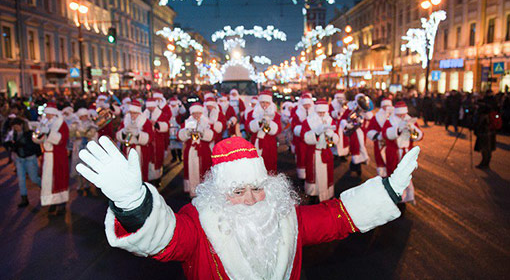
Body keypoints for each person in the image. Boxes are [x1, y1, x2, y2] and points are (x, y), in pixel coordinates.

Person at [76, 136, 420, 280]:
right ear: (219, 194)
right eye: (238, 191)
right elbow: (167, 238)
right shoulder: (199, 224)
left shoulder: (285, 216)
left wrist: (387, 189)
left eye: (257, 188)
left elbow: (337, 218)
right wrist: (133, 204)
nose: (253, 199)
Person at [382, 101, 423, 204]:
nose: (402, 116)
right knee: (394, 175)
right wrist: (398, 130)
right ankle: (397, 198)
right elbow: (385, 133)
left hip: (406, 152)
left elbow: (419, 135)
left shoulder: (410, 120)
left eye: (403, 114)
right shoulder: (390, 121)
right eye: (400, 114)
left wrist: (412, 128)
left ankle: (406, 196)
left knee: (405, 174)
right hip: (394, 152)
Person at [32, 103, 69, 215]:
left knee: (59, 178)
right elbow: (39, 140)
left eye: (49, 114)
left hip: (57, 155)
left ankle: (61, 203)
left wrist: (49, 132)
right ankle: (52, 202)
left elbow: (62, 139)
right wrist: (38, 135)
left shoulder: (61, 124)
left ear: (53, 114)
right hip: (47, 155)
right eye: (46, 114)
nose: (47, 116)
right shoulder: (45, 123)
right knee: (48, 181)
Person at [302, 99, 338, 202]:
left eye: (323, 112)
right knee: (313, 175)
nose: (322, 114)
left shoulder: (330, 120)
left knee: (326, 176)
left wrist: (332, 136)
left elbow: (336, 136)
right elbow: (304, 137)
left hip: (325, 151)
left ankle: (326, 196)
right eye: (319, 112)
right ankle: (313, 195)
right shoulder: (308, 121)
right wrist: (317, 132)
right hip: (314, 153)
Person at [177, 103, 214, 197]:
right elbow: (179, 136)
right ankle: (193, 192)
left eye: (198, 113)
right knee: (191, 170)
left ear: (201, 113)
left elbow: (213, 136)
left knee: (204, 170)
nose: (196, 115)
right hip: (191, 150)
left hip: (203, 150)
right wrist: (186, 132)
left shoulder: (207, 122)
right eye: (194, 113)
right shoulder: (187, 122)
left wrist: (203, 133)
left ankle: (205, 193)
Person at [5, 118, 41, 208]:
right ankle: (24, 199)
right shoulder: (13, 134)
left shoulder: (29, 133)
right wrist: (11, 145)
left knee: (34, 178)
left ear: (21, 125)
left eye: (16, 126)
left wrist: (20, 144)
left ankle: (44, 187)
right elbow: (10, 145)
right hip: (19, 159)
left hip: (30, 158)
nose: (15, 128)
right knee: (21, 179)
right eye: (14, 127)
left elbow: (34, 145)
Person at [116, 100, 154, 183]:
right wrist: (123, 132)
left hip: (141, 150)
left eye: (135, 113)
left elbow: (150, 138)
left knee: (141, 172)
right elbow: (118, 136)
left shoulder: (145, 122)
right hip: (128, 149)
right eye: (131, 113)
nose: (132, 115)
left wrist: (138, 134)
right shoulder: (125, 121)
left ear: (139, 113)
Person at [246, 91, 282, 173]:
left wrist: (268, 124)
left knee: (269, 164)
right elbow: (248, 127)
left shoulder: (275, 115)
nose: (264, 105)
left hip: (270, 143)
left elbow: (278, 129)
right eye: (262, 102)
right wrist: (258, 123)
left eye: (267, 103)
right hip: (256, 142)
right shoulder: (251, 114)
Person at [339, 93, 373, 177]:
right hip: (354, 131)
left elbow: (369, 117)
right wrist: (347, 125)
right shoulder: (350, 109)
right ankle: (356, 166)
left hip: (362, 131)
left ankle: (356, 165)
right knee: (355, 147)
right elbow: (343, 119)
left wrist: (365, 111)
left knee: (362, 146)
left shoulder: (365, 110)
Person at [69, 108, 98, 195]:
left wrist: (81, 134)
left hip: (87, 148)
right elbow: (71, 135)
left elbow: (92, 134)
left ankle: (87, 185)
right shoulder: (75, 124)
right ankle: (79, 184)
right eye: (82, 116)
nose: (84, 118)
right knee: (79, 166)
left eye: (85, 116)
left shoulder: (91, 124)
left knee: (88, 166)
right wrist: (82, 134)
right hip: (78, 148)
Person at [144, 98, 170, 185]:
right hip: (148, 142)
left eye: (152, 107)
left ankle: (157, 178)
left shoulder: (160, 114)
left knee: (157, 159)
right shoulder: (144, 114)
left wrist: (156, 124)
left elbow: (166, 126)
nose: (150, 109)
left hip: (157, 140)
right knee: (149, 159)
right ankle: (149, 178)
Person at [367, 98, 393, 177]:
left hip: (391, 144)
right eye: (385, 106)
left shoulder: (395, 117)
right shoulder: (376, 118)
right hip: (379, 143)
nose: (386, 108)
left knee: (392, 161)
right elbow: (369, 130)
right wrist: (377, 136)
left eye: (388, 106)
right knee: (381, 161)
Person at [290, 93, 314, 181]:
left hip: (311, 140)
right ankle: (302, 176)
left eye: (308, 104)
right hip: (300, 140)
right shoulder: (297, 114)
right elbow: (294, 127)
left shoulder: (313, 113)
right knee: (301, 156)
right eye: (305, 105)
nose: (307, 106)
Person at [473, 101, 496, 169]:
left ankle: (484, 163)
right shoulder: (489, 114)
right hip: (490, 133)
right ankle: (486, 163)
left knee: (484, 149)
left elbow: (479, 125)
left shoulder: (483, 116)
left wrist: (474, 127)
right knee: (488, 149)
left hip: (484, 134)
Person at [168, 97, 186, 162]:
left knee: (178, 141)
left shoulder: (179, 106)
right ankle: (174, 157)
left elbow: (183, 112)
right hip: (170, 125)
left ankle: (180, 156)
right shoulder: (168, 107)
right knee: (171, 142)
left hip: (177, 125)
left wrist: (181, 106)